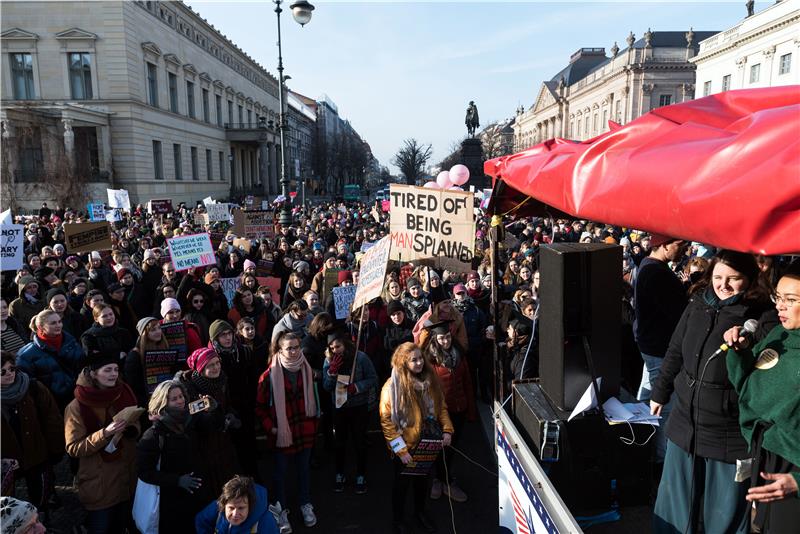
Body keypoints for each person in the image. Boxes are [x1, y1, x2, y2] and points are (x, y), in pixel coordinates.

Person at [650, 251, 776, 534]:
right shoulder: (697, 303)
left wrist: (746, 346)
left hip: (727, 434)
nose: (724, 285)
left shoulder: (762, 316)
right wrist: (660, 391)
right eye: (718, 277)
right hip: (684, 423)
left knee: (724, 515)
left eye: (734, 279)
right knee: (673, 507)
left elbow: (761, 377)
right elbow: (674, 350)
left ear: (750, 280)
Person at [724, 263, 800, 531]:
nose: (780, 306)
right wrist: (741, 353)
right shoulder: (779, 334)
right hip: (765, 455)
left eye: (791, 300)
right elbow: (747, 388)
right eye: (778, 297)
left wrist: (799, 481)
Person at [380, 342, 454, 534]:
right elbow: (387, 421)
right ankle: (398, 519)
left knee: (423, 483)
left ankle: (420, 513)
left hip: (428, 443)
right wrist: (401, 450)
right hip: (406, 447)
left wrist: (447, 430)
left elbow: (441, 407)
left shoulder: (431, 380)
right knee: (401, 487)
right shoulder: (392, 387)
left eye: (420, 358)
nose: (420, 362)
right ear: (403, 363)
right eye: (414, 360)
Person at [64, 353, 140, 534]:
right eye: (107, 370)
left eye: (115, 369)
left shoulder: (123, 392)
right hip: (100, 484)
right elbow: (73, 448)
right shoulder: (76, 406)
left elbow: (135, 422)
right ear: (93, 374)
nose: (113, 374)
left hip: (127, 479)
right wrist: (105, 433)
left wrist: (131, 428)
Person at [255, 332, 319, 533]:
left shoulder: (307, 370)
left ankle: (305, 504)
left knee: (303, 470)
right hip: (282, 433)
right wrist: (271, 428)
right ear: (280, 350)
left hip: (304, 430)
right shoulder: (268, 376)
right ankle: (280, 509)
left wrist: (314, 423)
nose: (293, 352)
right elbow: (259, 408)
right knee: (280, 473)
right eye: (289, 348)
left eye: (296, 347)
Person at [633, 234, 689, 463]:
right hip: (659, 349)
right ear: (664, 245)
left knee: (647, 397)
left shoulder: (649, 266)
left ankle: (640, 442)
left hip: (650, 345)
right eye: (681, 244)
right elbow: (677, 312)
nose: (684, 250)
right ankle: (659, 458)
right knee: (663, 404)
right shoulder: (656, 272)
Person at [136, 380, 212, 532]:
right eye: (174, 399)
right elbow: (144, 472)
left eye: (181, 396)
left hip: (196, 496)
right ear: (163, 403)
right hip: (170, 502)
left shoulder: (189, 422)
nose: (180, 401)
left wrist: (213, 410)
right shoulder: (153, 435)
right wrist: (177, 480)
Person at [1, 352, 64, 518]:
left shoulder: (32, 387)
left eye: (11, 368)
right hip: (6, 462)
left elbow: (52, 420)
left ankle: (40, 522)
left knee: (40, 499)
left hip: (37, 453)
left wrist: (56, 449)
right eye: (2, 371)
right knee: (8, 508)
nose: (9, 374)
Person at [175, 348, 239, 497]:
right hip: (204, 448)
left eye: (217, 363)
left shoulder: (222, 380)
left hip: (223, 442)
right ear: (201, 368)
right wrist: (211, 411)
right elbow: (192, 421)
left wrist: (230, 416)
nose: (216, 367)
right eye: (211, 365)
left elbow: (228, 404)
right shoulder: (189, 389)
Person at [423, 323, 475, 503]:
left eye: (447, 337)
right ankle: (442, 480)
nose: (445, 341)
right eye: (441, 338)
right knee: (440, 447)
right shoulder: (430, 361)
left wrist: (471, 410)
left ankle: (442, 478)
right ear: (435, 340)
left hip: (459, 409)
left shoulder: (459, 356)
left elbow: (468, 382)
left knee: (451, 447)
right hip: (440, 413)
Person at [322, 330, 377, 494]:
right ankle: (340, 474)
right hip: (339, 407)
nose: (335, 350)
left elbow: (373, 378)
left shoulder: (360, 358)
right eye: (331, 348)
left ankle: (361, 474)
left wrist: (357, 387)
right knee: (340, 442)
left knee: (359, 441)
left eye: (337, 346)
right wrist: (331, 373)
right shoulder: (328, 360)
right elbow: (326, 387)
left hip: (358, 407)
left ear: (344, 344)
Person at [16, 310, 83, 409]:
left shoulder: (72, 342)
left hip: (78, 395)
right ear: (40, 327)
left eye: (60, 321)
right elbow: (29, 386)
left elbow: (82, 365)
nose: (58, 325)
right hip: (52, 404)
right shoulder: (25, 355)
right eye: (53, 323)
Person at [195, 475, 279, 534]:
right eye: (231, 508)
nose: (235, 514)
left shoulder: (265, 522)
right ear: (224, 505)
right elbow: (201, 520)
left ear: (250, 506)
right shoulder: (219, 507)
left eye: (241, 508)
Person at [80, 304, 133, 369]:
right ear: (96, 319)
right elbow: (92, 357)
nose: (109, 318)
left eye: (111, 314)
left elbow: (130, 352)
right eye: (104, 316)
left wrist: (103, 353)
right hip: (101, 372)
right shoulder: (89, 336)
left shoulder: (123, 332)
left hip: (125, 369)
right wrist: (116, 355)